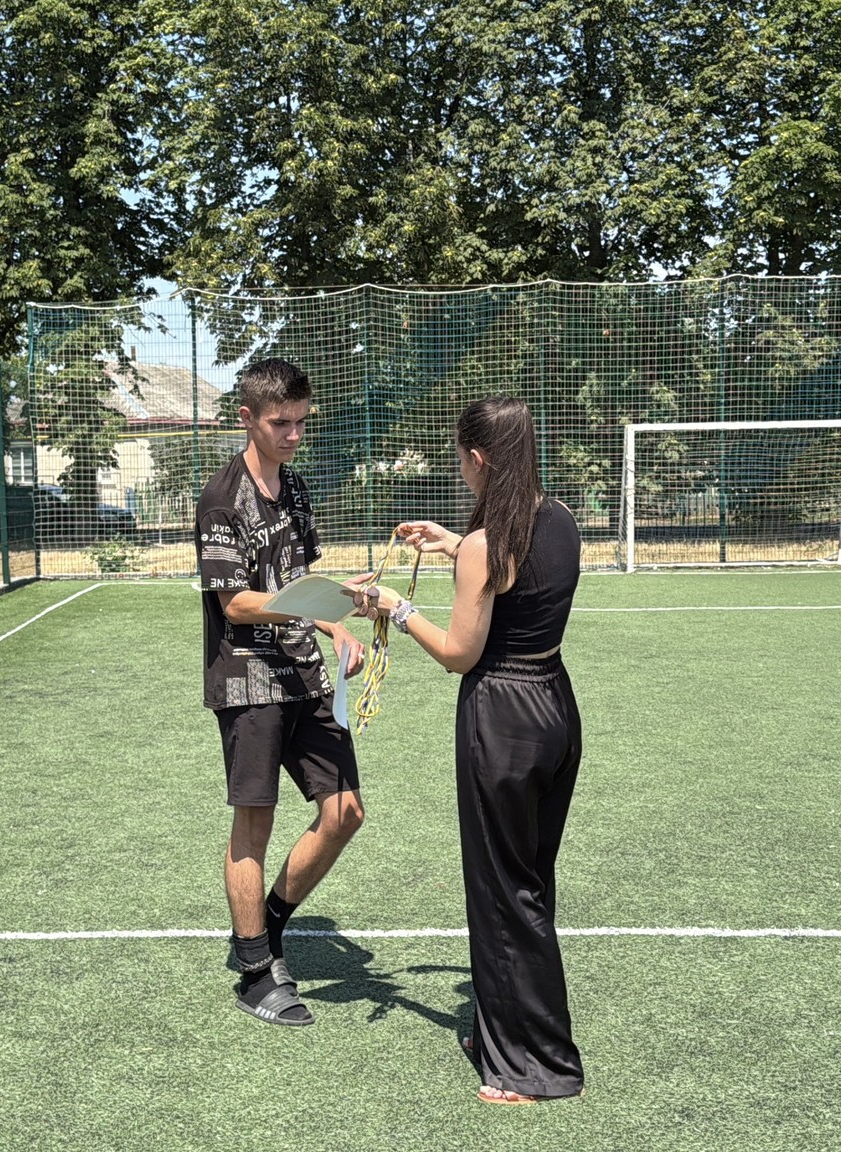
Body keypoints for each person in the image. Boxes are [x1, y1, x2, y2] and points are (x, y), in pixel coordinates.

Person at [348, 395, 586, 1105]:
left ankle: (533, 1067)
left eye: (460, 458)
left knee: (502, 890)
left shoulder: (488, 546)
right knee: (528, 882)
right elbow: (517, 569)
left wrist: (396, 608)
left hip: (502, 720)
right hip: (555, 709)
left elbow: (459, 653)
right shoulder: (560, 518)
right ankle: (503, 1033)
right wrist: (454, 543)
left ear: (478, 458)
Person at [195, 358, 367, 1028]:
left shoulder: (294, 485)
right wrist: (312, 608)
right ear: (247, 418)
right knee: (255, 824)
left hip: (305, 674)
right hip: (248, 681)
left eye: (301, 421)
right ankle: (255, 972)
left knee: (344, 812)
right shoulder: (221, 499)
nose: (293, 434)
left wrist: (337, 623)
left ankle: (264, 924)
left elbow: (300, 579)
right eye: (280, 423)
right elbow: (236, 603)